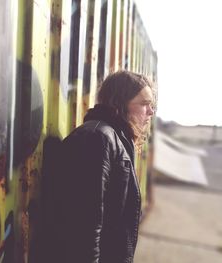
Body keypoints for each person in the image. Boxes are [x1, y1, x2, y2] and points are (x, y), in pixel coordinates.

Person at [51, 70, 155, 263]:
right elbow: (84, 227)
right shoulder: (97, 139)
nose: (150, 111)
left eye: (151, 105)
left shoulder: (114, 139)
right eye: (144, 104)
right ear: (120, 104)